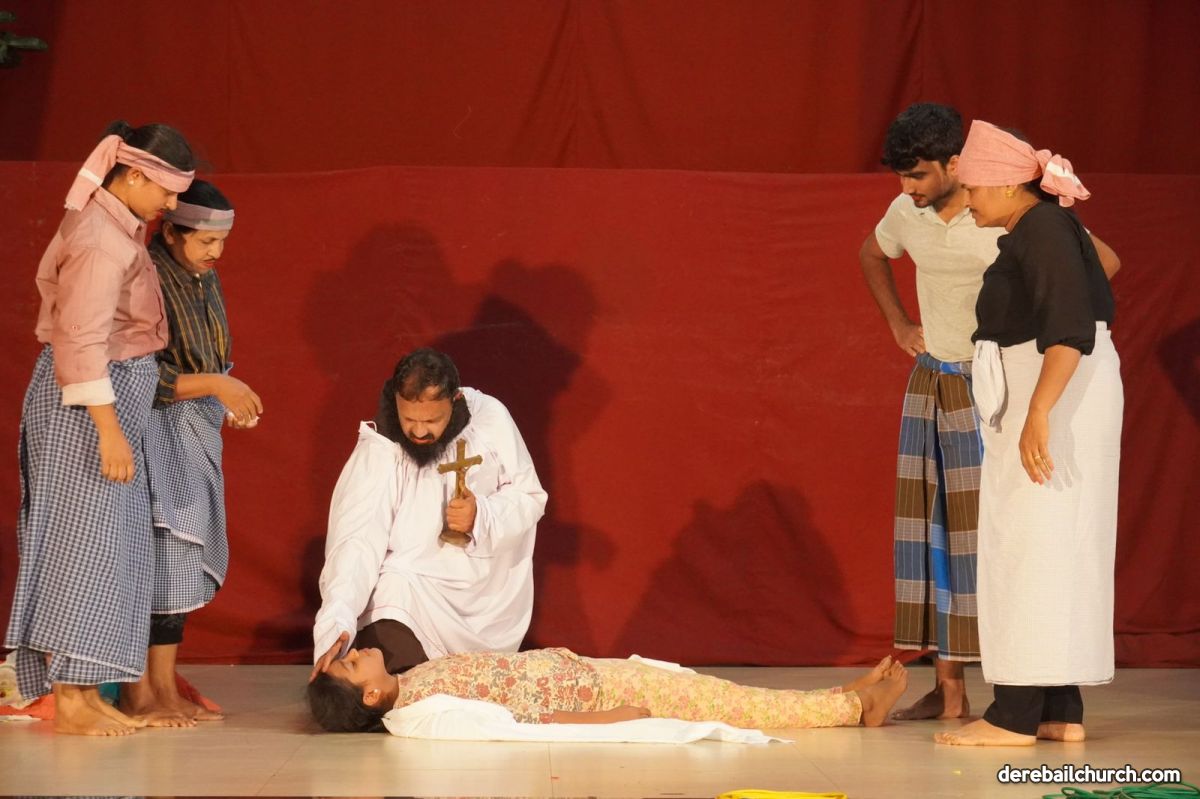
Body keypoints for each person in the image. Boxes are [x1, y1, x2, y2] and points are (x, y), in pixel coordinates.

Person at [859, 103, 1119, 721]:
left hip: (999, 386)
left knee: (995, 537)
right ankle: (953, 689)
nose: (908, 188)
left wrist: (1028, 343)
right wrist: (899, 324)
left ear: (959, 165)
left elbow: (1097, 271)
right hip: (937, 378)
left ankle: (1026, 694)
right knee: (933, 532)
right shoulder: (912, 213)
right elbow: (870, 253)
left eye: (919, 174)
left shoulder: (1024, 220)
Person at [3, 121, 195, 736]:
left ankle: (85, 691)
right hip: (85, 412)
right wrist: (109, 430)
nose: (172, 204)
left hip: (108, 402)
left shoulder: (118, 228)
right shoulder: (99, 238)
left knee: (108, 548)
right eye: (166, 190)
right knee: (79, 548)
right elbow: (80, 339)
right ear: (133, 175)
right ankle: (69, 698)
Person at [935, 121, 1122, 747]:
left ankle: (1014, 714)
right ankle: (1058, 709)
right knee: (1055, 544)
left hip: (1053, 388)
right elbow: (1100, 272)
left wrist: (1040, 410)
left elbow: (1069, 327)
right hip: (1058, 388)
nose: (967, 201)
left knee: (1028, 545)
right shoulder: (1047, 227)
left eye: (973, 189)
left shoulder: (1042, 227)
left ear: (1010, 186)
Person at [116, 180, 263, 726]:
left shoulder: (203, 275)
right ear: (172, 232)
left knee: (175, 563)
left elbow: (209, 361)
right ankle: (135, 690)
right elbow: (139, 374)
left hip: (190, 425)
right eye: (205, 241)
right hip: (149, 428)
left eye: (221, 241)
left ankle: (162, 685)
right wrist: (217, 386)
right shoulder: (146, 276)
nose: (216, 252)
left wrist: (223, 395)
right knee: (150, 552)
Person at [311, 348, 547, 681]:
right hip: (410, 589)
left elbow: (529, 496)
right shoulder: (381, 449)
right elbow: (356, 540)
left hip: (483, 595)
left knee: (449, 683)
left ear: (455, 399)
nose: (419, 433)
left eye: (432, 421)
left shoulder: (490, 418)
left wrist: (482, 516)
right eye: (409, 420)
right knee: (382, 661)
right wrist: (337, 619)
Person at [307, 646, 909, 733]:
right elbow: (516, 722)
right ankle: (855, 708)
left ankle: (841, 694)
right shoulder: (424, 708)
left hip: (592, 673)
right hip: (598, 695)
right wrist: (611, 718)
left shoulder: (412, 680)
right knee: (732, 706)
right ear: (369, 697)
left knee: (718, 690)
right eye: (352, 665)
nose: (357, 652)